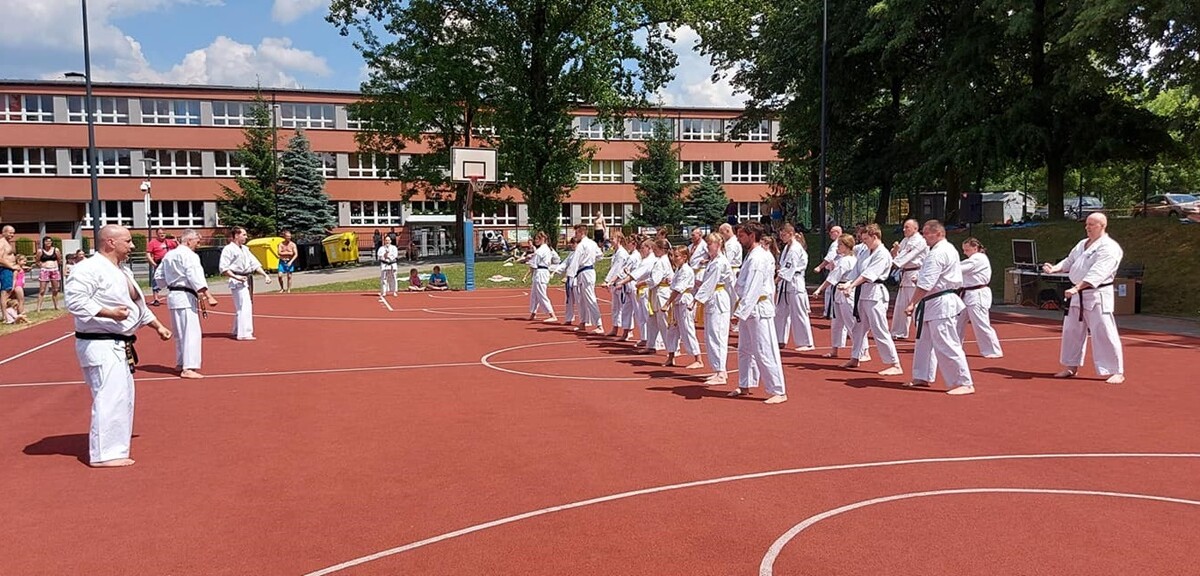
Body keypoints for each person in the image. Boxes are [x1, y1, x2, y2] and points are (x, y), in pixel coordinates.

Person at [64, 224, 172, 467]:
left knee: (122, 397)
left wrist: (157, 326)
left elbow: (136, 305)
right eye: (128, 241)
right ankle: (104, 454)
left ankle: (115, 448)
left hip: (118, 344)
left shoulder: (122, 270)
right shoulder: (88, 269)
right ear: (110, 242)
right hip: (99, 344)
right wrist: (109, 312)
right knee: (109, 397)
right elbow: (74, 301)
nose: (132, 246)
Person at [1042, 213, 1125, 384]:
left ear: (1102, 225)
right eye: (1086, 224)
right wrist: (1055, 269)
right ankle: (1070, 366)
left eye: (1092, 224)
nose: (1087, 227)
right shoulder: (1082, 244)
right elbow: (1070, 261)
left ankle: (1116, 370)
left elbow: (1099, 272)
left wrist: (1077, 287)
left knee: (1103, 332)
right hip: (1077, 295)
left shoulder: (1109, 247)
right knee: (1071, 331)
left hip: (1097, 294)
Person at [904, 220, 975, 395]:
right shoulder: (943, 250)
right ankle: (922, 376)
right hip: (933, 301)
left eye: (927, 233)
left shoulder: (939, 252)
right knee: (924, 342)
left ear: (939, 234)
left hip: (940, 302)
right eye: (923, 232)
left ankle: (964, 382)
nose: (924, 236)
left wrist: (912, 302)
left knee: (946, 342)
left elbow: (927, 281)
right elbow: (929, 278)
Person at [728, 222, 788, 404]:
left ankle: (778, 390)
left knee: (764, 349)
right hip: (750, 308)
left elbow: (753, 288)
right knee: (745, 349)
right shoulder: (752, 255)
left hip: (759, 309)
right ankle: (745, 384)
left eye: (742, 235)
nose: (739, 239)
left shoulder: (758, 258)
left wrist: (739, 312)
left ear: (752, 235)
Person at [840, 224, 903, 376]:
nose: (864, 242)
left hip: (875, 293)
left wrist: (852, 286)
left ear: (875, 237)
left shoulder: (883, 254)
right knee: (858, 327)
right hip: (863, 293)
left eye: (866, 239)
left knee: (879, 328)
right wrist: (848, 284)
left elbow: (869, 274)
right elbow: (856, 271)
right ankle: (856, 357)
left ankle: (895, 363)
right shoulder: (865, 252)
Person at [160, 229, 219, 379]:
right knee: (191, 333)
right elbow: (194, 274)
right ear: (188, 241)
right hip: (185, 296)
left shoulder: (169, 255)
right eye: (197, 241)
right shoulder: (189, 255)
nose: (198, 245)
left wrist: (165, 284)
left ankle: (181, 363)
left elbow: (159, 277)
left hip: (173, 295)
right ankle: (188, 367)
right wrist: (208, 295)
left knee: (180, 333)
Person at [693, 232, 734, 384]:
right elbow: (707, 281)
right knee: (711, 335)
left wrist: (696, 300)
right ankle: (718, 369)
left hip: (718, 299)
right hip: (713, 298)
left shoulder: (719, 262)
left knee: (717, 335)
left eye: (710, 244)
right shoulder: (713, 261)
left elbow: (711, 283)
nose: (708, 247)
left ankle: (721, 373)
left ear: (718, 245)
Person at [219, 226, 271, 341]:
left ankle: (237, 329)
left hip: (247, 278)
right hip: (237, 280)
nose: (246, 237)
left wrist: (265, 275)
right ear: (236, 236)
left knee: (244, 305)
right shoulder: (228, 249)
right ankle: (244, 333)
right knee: (244, 305)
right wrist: (235, 276)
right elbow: (223, 268)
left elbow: (254, 264)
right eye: (244, 235)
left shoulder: (245, 249)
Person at [811, 233, 858, 359]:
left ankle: (861, 350)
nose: (838, 247)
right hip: (838, 292)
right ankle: (835, 349)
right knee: (837, 323)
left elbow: (832, 278)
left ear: (847, 246)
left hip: (846, 292)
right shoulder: (845, 259)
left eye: (840, 245)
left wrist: (819, 289)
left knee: (850, 323)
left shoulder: (847, 260)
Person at [957, 238, 1003, 358]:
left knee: (981, 323)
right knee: (957, 322)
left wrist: (945, 266)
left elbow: (959, 268)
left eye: (967, 250)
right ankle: (954, 346)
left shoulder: (978, 258)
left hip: (978, 294)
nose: (964, 252)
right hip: (966, 294)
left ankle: (993, 350)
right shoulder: (972, 259)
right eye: (963, 250)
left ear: (975, 248)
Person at [774, 223, 815, 352]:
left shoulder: (796, 248)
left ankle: (806, 342)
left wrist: (774, 281)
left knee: (798, 313)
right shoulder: (787, 247)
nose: (781, 237)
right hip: (785, 284)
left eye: (783, 234)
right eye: (780, 234)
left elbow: (788, 268)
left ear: (790, 234)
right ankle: (779, 339)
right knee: (780, 312)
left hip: (795, 281)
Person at [663, 245, 702, 368]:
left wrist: (667, 303)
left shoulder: (686, 270)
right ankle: (671, 356)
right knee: (672, 330)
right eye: (673, 256)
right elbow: (675, 285)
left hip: (684, 301)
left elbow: (678, 289)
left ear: (685, 257)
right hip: (677, 303)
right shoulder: (679, 269)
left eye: (677, 256)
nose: (674, 258)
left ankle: (698, 359)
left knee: (687, 329)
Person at [890, 218, 927, 340]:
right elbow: (899, 255)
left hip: (915, 273)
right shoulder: (906, 240)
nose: (904, 229)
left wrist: (892, 265)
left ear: (915, 229)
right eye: (904, 227)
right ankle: (899, 331)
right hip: (905, 274)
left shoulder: (920, 241)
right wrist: (895, 252)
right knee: (901, 305)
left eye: (907, 227)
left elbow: (906, 257)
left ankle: (922, 331)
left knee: (915, 305)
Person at [571, 224, 605, 334]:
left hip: (586, 271)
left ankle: (599, 325)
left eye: (576, 233)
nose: (575, 235)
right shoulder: (593, 243)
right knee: (582, 299)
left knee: (590, 297)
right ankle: (583, 322)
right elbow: (600, 255)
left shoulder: (582, 245)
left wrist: (570, 275)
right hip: (587, 271)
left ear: (582, 233)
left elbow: (575, 261)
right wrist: (591, 258)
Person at [525, 231, 560, 322]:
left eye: (537, 239)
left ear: (542, 239)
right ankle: (533, 313)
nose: (535, 241)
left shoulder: (541, 250)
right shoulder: (546, 249)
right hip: (540, 272)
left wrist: (529, 274)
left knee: (541, 294)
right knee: (534, 294)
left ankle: (552, 315)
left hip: (541, 273)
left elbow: (533, 264)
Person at [813, 225, 843, 319]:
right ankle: (829, 312)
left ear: (837, 233)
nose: (830, 234)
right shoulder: (837, 243)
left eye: (832, 232)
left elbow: (829, 258)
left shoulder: (836, 244)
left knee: (831, 292)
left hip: (836, 271)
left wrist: (819, 267)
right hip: (835, 270)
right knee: (829, 292)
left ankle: (830, 313)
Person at [603, 230, 628, 336]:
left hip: (621, 283)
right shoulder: (616, 252)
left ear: (619, 240)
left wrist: (608, 281)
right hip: (615, 283)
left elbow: (617, 269)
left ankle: (627, 330)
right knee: (615, 307)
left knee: (624, 308)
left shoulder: (622, 254)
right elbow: (613, 268)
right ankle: (615, 328)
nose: (611, 241)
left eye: (613, 239)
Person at [145, 228, 177, 307]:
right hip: (159, 263)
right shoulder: (153, 243)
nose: (162, 235)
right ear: (157, 234)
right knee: (156, 280)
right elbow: (148, 254)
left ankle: (174, 296)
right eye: (160, 233)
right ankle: (156, 298)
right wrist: (153, 264)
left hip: (169, 264)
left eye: (163, 233)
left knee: (172, 280)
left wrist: (176, 241)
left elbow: (179, 249)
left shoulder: (169, 242)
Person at [36, 237, 64, 312]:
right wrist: (42, 266)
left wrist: (55, 265)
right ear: (44, 242)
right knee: (42, 290)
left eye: (50, 241)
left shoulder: (56, 250)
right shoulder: (40, 251)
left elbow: (59, 259)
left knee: (55, 289)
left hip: (54, 270)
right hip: (45, 270)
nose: (48, 243)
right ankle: (39, 307)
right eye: (46, 241)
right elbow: (37, 261)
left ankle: (56, 305)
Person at [0, 225, 16, 316]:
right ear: (4, 232)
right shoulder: (2, 243)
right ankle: (5, 316)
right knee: (5, 292)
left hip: (8, 269)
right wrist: (11, 266)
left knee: (8, 291)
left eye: (13, 233)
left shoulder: (7, 242)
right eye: (10, 232)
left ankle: (7, 314)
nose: (12, 235)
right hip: (5, 269)